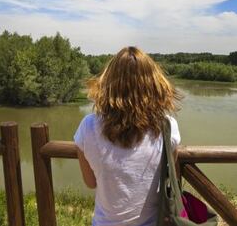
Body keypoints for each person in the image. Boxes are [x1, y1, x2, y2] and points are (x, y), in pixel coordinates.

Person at [74, 46, 181, 226]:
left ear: (108, 83)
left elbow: (90, 182)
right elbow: (171, 176)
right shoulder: (167, 126)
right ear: (154, 83)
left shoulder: (89, 126)